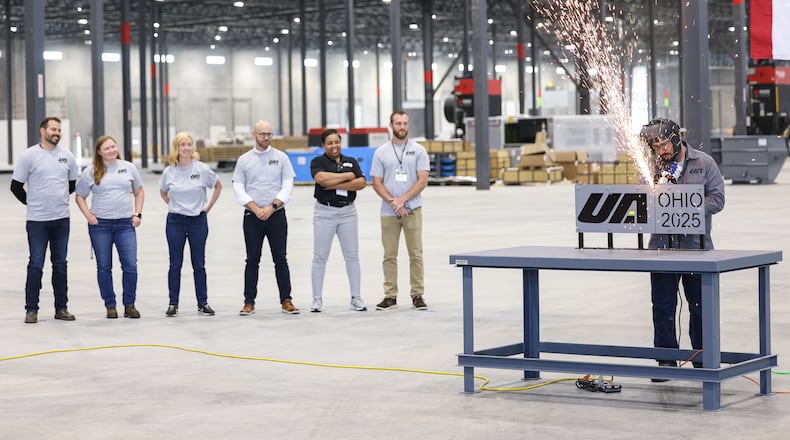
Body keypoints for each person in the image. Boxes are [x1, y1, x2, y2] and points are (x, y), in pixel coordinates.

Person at [639, 118, 725, 380]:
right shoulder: (652, 165)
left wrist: (686, 205)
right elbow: (639, 200)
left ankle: (701, 360)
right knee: (663, 306)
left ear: (676, 138)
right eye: (656, 147)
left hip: (696, 249)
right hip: (661, 248)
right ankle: (666, 361)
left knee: (699, 307)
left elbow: (718, 199)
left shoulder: (704, 163)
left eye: (664, 145)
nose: (661, 151)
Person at [10, 117, 79, 323]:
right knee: (36, 264)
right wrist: (33, 203)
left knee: (60, 265)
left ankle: (61, 308)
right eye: (52, 129)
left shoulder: (67, 156)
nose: (56, 132)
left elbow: (72, 184)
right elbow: (15, 187)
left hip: (61, 220)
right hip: (37, 221)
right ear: (43, 131)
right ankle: (31, 310)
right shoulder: (29, 156)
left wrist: (57, 200)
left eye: (59, 129)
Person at [232, 120, 300, 315]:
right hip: (252, 216)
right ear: (254, 134)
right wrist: (255, 208)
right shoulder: (244, 160)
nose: (266, 137)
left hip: (276, 215)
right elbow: (238, 187)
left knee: (281, 258)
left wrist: (273, 206)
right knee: (252, 259)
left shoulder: (281, 158)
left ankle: (286, 300)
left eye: (269, 134)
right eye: (263, 134)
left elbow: (287, 184)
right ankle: (249, 302)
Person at [75, 135, 145, 319]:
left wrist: (137, 213)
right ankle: (110, 305)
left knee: (130, 266)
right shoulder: (91, 171)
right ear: (99, 152)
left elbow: (139, 191)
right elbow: (79, 195)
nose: (111, 150)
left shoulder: (128, 167)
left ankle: (129, 305)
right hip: (101, 226)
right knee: (104, 267)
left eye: (113, 146)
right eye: (106, 148)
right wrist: (88, 215)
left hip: (125, 224)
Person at [370, 110, 430, 311]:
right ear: (391, 125)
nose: (402, 127)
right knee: (389, 255)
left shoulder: (419, 150)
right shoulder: (381, 152)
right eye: (398, 123)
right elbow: (376, 182)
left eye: (405, 123)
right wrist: (393, 202)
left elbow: (422, 180)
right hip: (389, 212)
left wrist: (403, 200)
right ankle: (390, 296)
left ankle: (417, 294)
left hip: (412, 209)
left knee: (416, 254)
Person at [159, 132, 223, 317]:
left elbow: (218, 186)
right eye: (182, 145)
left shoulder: (202, 169)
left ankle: (202, 302)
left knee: (199, 264)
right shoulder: (169, 171)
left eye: (189, 144)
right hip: (175, 221)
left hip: (197, 221)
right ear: (176, 148)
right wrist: (173, 205)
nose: (186, 148)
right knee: (175, 264)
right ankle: (173, 302)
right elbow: (163, 192)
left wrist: (207, 208)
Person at [309, 129, 368, 312]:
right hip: (324, 213)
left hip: (347, 213)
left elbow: (361, 183)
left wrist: (334, 182)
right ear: (323, 145)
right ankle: (317, 299)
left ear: (341, 143)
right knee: (320, 257)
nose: (334, 146)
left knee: (352, 256)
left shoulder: (350, 161)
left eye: (337, 142)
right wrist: (348, 176)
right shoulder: (317, 162)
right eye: (329, 143)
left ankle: (356, 298)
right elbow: (321, 179)